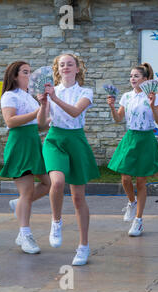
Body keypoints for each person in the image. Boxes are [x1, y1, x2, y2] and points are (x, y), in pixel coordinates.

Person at [40, 53, 99, 266]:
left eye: (70, 64)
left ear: (77, 68)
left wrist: (54, 98)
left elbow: (75, 112)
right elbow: (42, 125)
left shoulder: (85, 92)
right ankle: (56, 222)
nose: (65, 67)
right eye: (61, 64)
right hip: (54, 138)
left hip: (76, 140)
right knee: (57, 182)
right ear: (58, 69)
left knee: (78, 198)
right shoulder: (50, 91)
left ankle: (83, 246)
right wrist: (43, 104)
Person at [0, 61, 51, 254]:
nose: (29, 76)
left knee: (48, 184)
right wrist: (37, 112)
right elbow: (10, 121)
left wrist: (47, 115)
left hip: (33, 144)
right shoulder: (9, 96)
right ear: (15, 76)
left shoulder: (29, 97)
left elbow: (39, 126)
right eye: (25, 72)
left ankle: (19, 202)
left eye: (29, 72)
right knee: (27, 192)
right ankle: (24, 234)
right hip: (20, 145)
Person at [107, 63, 158, 236]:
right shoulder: (126, 96)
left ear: (145, 80)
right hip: (130, 138)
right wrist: (112, 106)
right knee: (125, 178)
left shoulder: (153, 96)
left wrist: (153, 104)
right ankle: (132, 202)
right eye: (131, 76)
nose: (132, 79)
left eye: (136, 76)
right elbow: (118, 118)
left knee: (140, 182)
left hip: (146, 139)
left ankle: (138, 221)